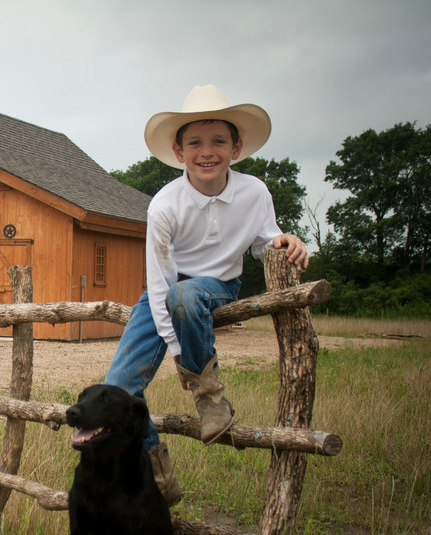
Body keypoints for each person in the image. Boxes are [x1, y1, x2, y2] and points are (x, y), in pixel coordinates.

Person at [104, 85, 309, 505]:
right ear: (179, 152)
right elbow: (160, 284)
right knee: (119, 389)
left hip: (218, 286)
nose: (207, 151)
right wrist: (178, 351)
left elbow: (264, 241)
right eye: (195, 142)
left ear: (236, 147)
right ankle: (158, 480)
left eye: (218, 141)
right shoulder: (164, 205)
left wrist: (286, 240)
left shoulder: (254, 192)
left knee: (188, 295)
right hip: (168, 288)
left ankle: (209, 396)